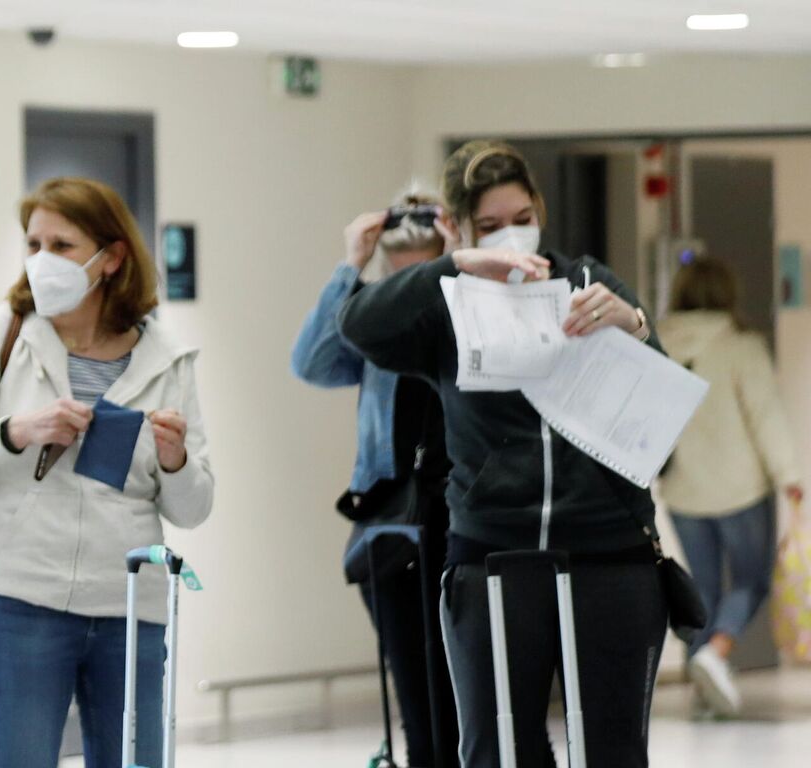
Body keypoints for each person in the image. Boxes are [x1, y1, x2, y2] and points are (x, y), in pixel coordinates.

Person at [340, 140, 672, 768]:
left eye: (521, 218)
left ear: (539, 211)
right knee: (496, 751)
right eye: (490, 226)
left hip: (609, 552)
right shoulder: (447, 304)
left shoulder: (589, 281)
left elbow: (661, 413)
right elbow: (356, 327)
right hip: (492, 553)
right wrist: (452, 265)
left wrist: (633, 325)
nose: (511, 236)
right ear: (460, 227)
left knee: (614, 747)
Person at [0, 176, 215, 768]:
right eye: (34, 244)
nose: (43, 260)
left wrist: (174, 461)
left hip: (129, 603)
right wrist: (17, 432)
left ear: (112, 257)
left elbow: (194, 508)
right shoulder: (2, 333)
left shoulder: (167, 357)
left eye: (62, 245)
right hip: (19, 597)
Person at [292, 191, 459, 768]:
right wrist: (351, 267)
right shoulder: (373, 319)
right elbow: (311, 363)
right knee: (419, 704)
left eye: (430, 271)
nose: (413, 292)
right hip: (393, 529)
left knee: (475, 702)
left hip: (468, 524)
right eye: (401, 275)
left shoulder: (475, 310)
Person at [658, 256, 805, 717]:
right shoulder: (741, 346)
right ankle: (715, 654)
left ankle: (705, 693)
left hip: (683, 493)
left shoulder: (657, 343)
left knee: (702, 588)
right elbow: (766, 417)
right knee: (752, 579)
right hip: (741, 489)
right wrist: (790, 477)